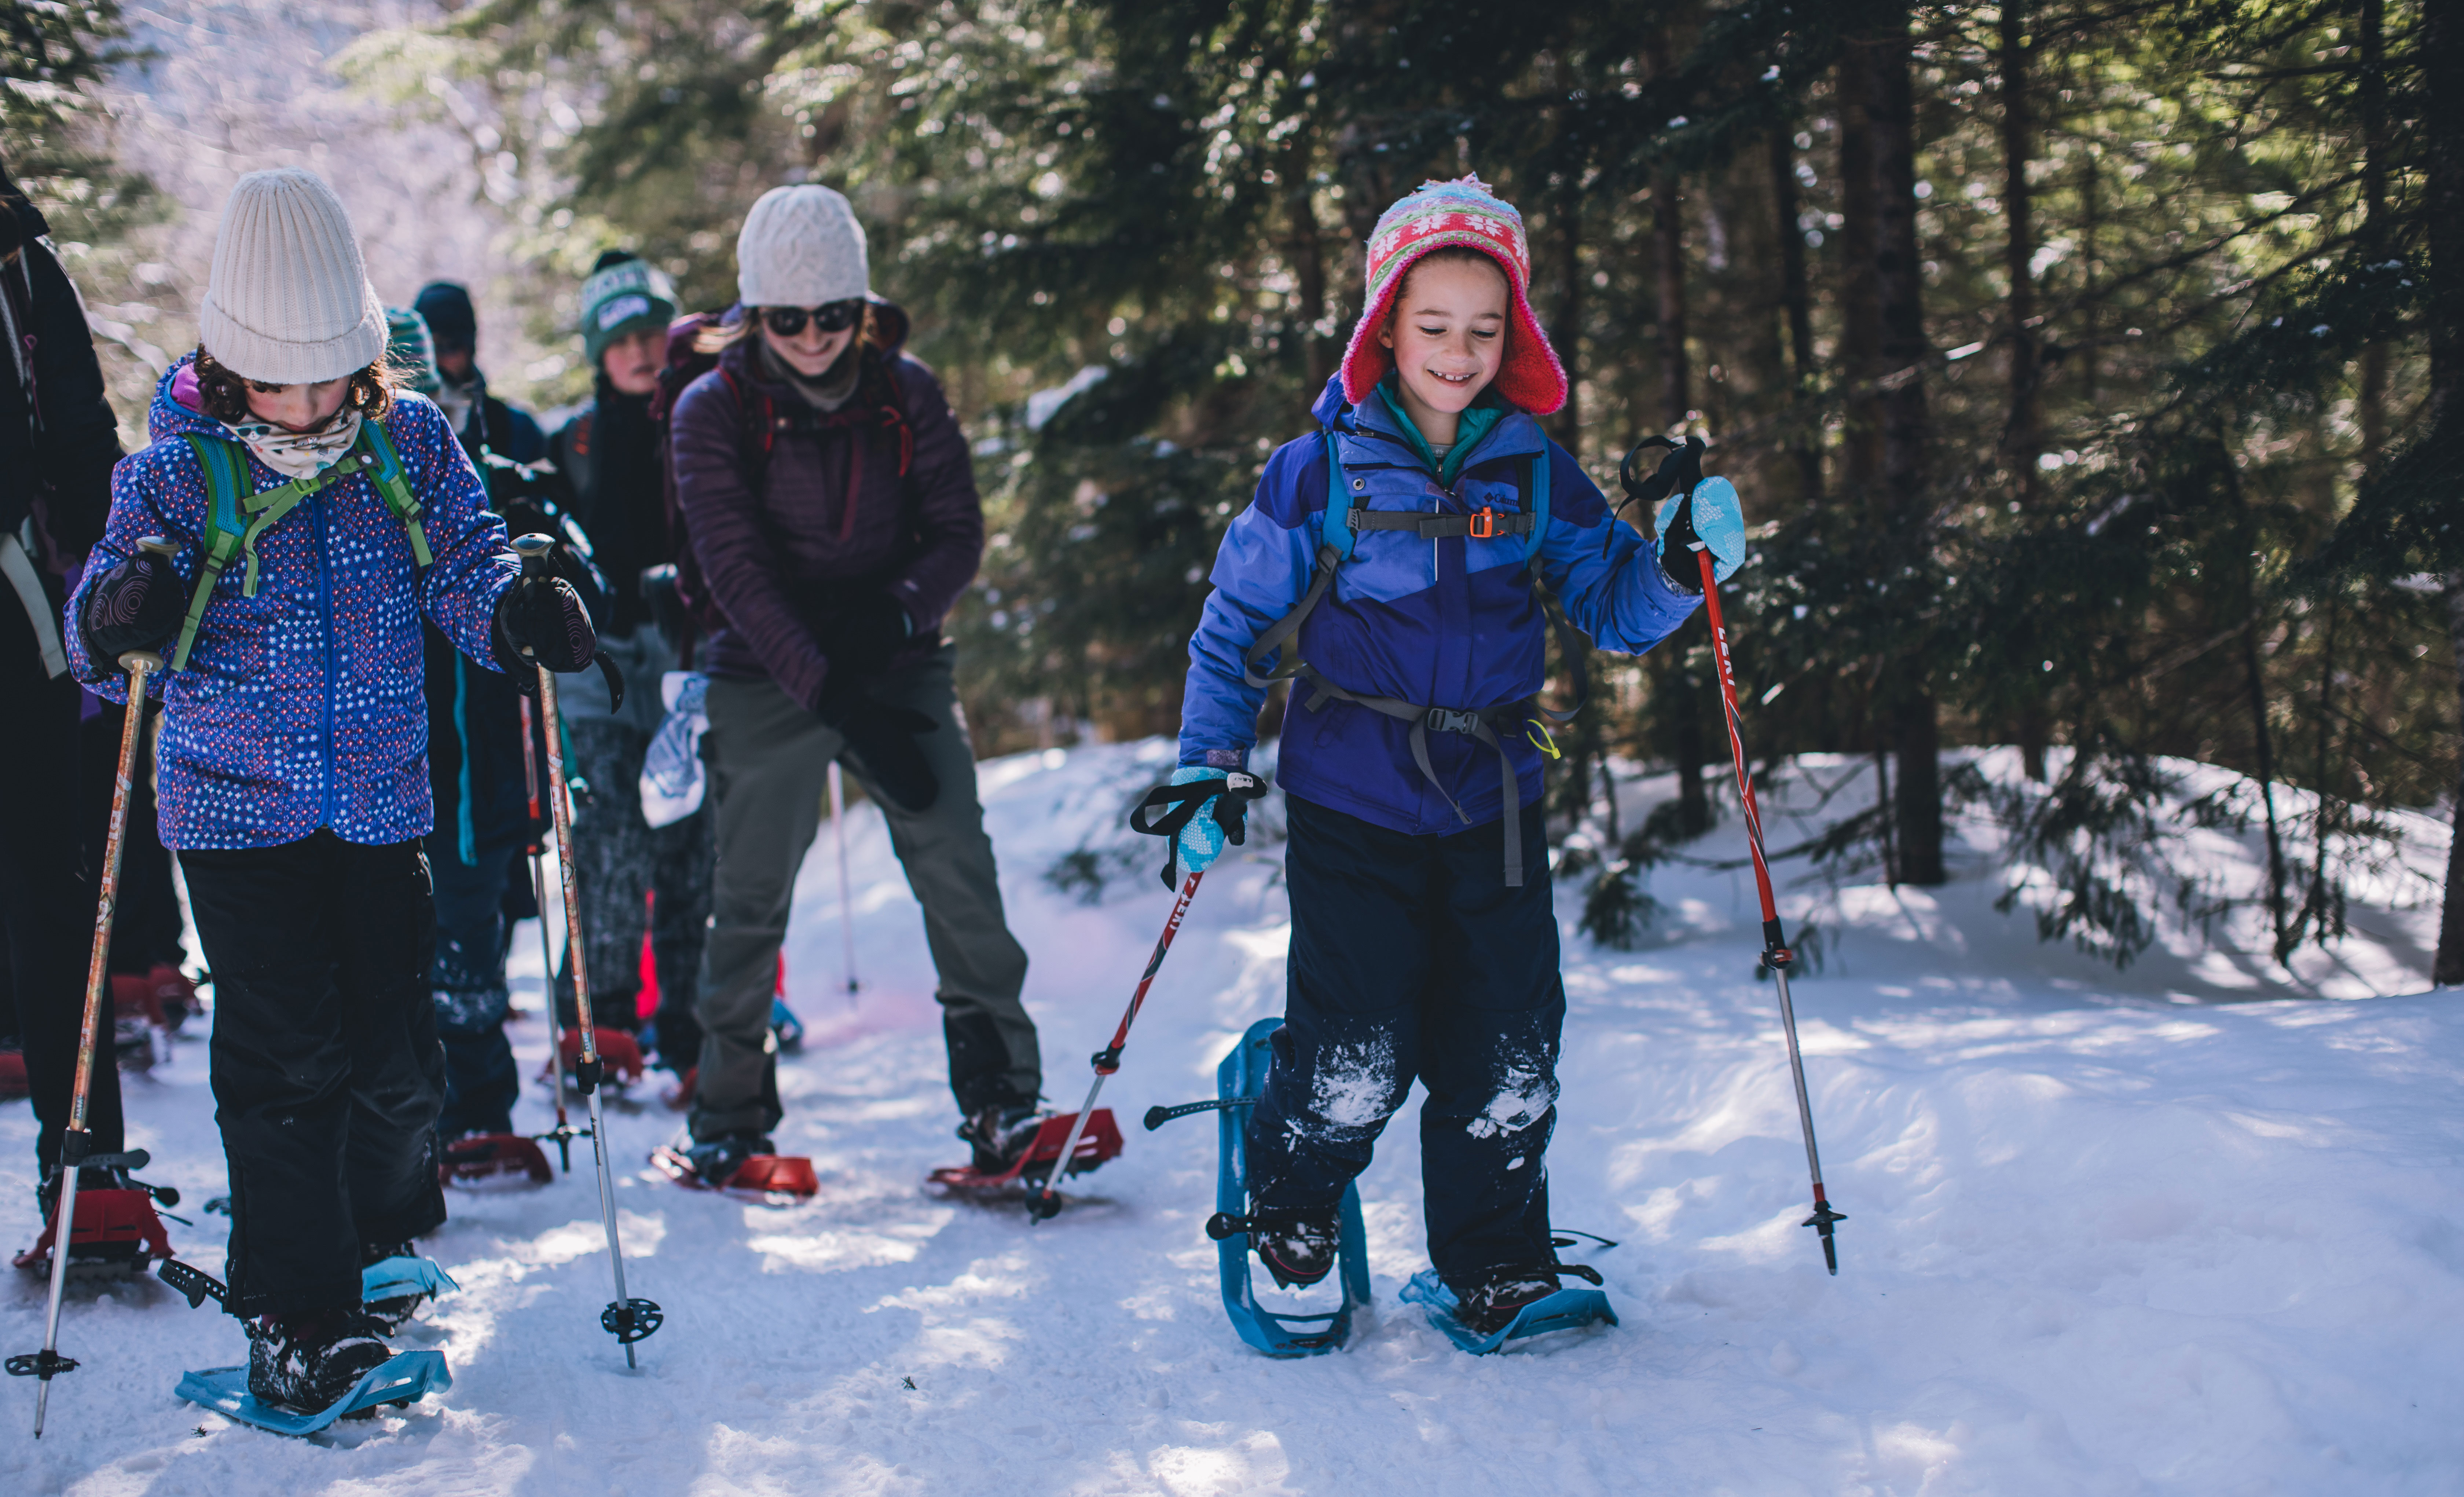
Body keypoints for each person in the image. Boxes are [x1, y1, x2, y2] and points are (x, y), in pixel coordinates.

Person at [1165, 176, 1747, 1333]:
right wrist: (1207, 766)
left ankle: (1492, 1261)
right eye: (1432, 326)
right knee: (1357, 1053)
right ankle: (1289, 1200)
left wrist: (1680, 567)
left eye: (1485, 329)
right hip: (1350, 798)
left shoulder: (1537, 471)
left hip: (1496, 803)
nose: (1457, 351)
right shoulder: (1317, 470)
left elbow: (1610, 604)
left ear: (1513, 333)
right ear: (1385, 324)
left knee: (1508, 1052)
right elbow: (1232, 628)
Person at [65, 168, 597, 1414]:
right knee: (288, 1056)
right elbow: (102, 645)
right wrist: (121, 610)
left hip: (376, 795)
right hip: (232, 805)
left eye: (330, 380)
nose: (308, 410)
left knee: (396, 1054)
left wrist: (519, 608)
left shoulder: (408, 442)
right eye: (279, 381)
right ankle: (296, 1314)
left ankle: (364, 1239)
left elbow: (464, 565)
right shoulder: (178, 470)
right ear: (228, 358)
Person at [668, 184, 1040, 1183]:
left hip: (898, 655)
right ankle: (728, 1112)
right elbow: (736, 575)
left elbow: (958, 531)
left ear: (862, 308)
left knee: (957, 860)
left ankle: (1005, 1096)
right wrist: (835, 697)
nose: (815, 337)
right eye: (788, 319)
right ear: (753, 316)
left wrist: (888, 624)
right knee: (749, 895)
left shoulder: (905, 391)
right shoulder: (713, 409)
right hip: (764, 669)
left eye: (835, 314)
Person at [389, 306, 595, 1166]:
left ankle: (479, 1104)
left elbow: (587, 583)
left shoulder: (484, 484)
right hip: (382, 761)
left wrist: (544, 577)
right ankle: (402, 1120)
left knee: (470, 932)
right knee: (395, 949)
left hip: (476, 762)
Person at [0, 157, 131, 1230]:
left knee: (57, 887)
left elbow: (84, 436)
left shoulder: (23, 264)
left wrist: (111, 581)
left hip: (25, 617)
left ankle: (86, 1168)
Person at [548, 250, 710, 1076]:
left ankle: (689, 1021)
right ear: (598, 353)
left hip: (692, 654)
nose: (641, 352)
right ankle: (598, 1017)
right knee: (607, 830)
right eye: (621, 341)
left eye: (653, 333)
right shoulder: (570, 440)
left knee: (691, 833)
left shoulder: (706, 418)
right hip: (599, 664)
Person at [413, 279, 546, 465]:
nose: (435, 360)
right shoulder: (401, 425)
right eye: (426, 349)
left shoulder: (514, 429)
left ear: (469, 350)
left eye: (448, 347)